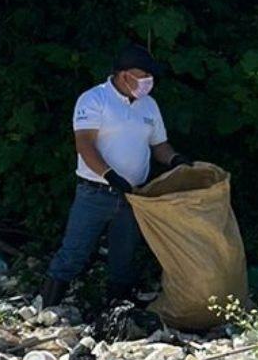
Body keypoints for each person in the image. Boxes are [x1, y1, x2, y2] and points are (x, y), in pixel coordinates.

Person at [42, 45, 192, 309]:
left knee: (124, 256)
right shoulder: (94, 99)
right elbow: (85, 144)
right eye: (143, 75)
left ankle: (117, 313)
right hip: (95, 192)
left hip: (133, 195)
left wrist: (175, 160)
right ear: (124, 75)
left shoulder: (149, 105)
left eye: (150, 76)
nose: (148, 81)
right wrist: (110, 175)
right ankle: (46, 309)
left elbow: (159, 145)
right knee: (74, 251)